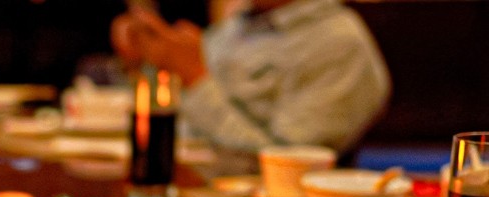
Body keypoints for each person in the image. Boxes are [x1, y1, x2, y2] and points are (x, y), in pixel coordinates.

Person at [111, 0, 391, 165]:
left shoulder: (339, 43)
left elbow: (285, 166)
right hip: (179, 185)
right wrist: (144, 61)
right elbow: (179, 112)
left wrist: (195, 77)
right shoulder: (240, 25)